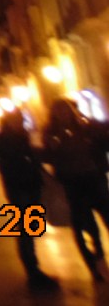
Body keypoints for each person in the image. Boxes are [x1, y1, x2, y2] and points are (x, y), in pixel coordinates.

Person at [42, 97, 109, 280]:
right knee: (84, 226)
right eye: (59, 111)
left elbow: (103, 142)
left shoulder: (85, 126)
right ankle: (95, 263)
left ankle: (99, 258)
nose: (63, 114)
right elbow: (47, 157)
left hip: (94, 179)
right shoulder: (51, 134)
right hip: (73, 184)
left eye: (66, 110)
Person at [0, 110, 60, 291]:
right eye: (18, 120)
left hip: (27, 186)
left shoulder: (15, 137)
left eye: (22, 120)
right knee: (26, 231)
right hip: (21, 188)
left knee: (28, 230)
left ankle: (34, 270)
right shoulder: (8, 139)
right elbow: (17, 161)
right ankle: (33, 271)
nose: (21, 123)